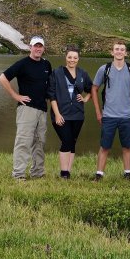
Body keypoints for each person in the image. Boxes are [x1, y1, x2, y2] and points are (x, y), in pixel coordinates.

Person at [0, 35, 53, 180]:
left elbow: (49, 85)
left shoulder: (47, 65)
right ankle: (18, 175)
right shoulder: (22, 64)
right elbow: (2, 78)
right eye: (35, 46)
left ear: (43, 48)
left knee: (40, 143)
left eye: (40, 46)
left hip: (42, 109)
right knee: (23, 142)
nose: (38, 49)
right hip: (26, 109)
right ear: (30, 47)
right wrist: (16, 96)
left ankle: (37, 173)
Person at [90, 40, 130, 181]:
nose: (119, 51)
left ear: (126, 53)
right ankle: (99, 174)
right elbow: (94, 89)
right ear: (112, 52)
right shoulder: (104, 69)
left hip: (127, 116)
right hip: (108, 115)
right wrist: (97, 112)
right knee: (104, 146)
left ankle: (127, 173)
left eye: (122, 49)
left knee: (127, 146)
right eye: (117, 49)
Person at [48, 45, 92, 179]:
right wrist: (57, 114)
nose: (72, 60)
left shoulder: (83, 74)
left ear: (78, 59)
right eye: (69, 57)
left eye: (75, 58)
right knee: (66, 141)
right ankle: (64, 173)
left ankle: (68, 171)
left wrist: (85, 99)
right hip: (61, 114)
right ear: (65, 57)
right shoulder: (57, 72)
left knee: (72, 141)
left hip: (78, 115)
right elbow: (52, 95)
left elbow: (91, 89)